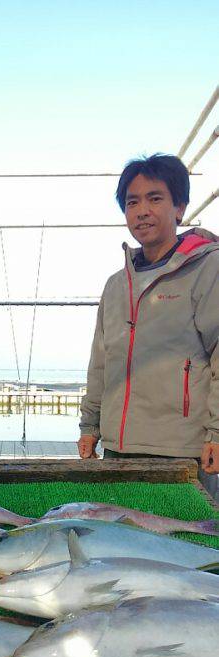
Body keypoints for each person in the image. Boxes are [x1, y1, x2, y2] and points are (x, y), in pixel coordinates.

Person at [78, 153, 219, 493]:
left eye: (155, 199)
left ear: (179, 208)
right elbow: (101, 363)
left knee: (190, 526)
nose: (142, 210)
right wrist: (90, 426)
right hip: (118, 449)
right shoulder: (116, 284)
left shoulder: (207, 269)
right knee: (117, 526)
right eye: (132, 202)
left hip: (183, 452)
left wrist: (217, 432)